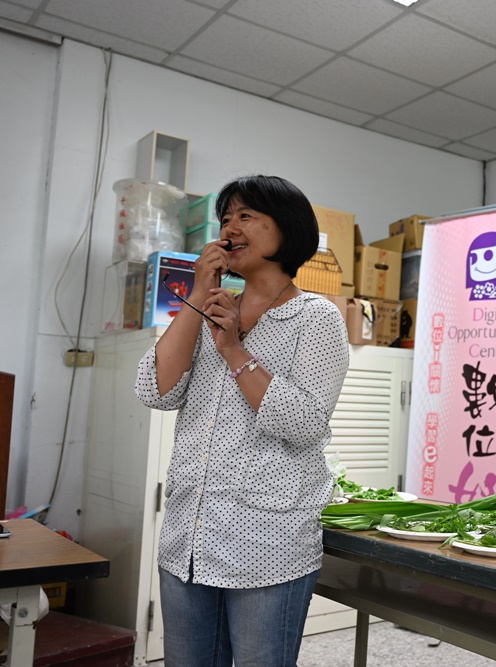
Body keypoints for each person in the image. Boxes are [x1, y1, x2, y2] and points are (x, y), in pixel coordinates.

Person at [135, 175, 349, 665]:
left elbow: (305, 422)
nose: (230, 228)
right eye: (225, 218)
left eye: (246, 216)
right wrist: (198, 291)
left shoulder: (315, 317)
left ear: (287, 229)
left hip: (267, 541)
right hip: (188, 537)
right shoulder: (211, 306)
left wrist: (232, 348)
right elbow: (154, 391)